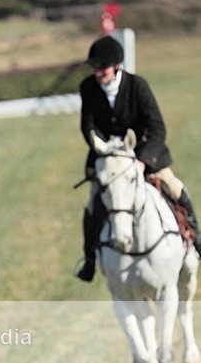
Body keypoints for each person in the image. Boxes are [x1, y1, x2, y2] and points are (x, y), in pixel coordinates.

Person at [76, 34, 201, 282]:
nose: (98, 73)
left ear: (116, 66)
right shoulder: (87, 88)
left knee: (175, 189)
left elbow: (157, 127)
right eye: (95, 67)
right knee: (93, 204)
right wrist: (107, 150)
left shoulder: (137, 86)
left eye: (102, 67)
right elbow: (88, 126)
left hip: (145, 155)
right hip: (109, 159)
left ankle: (197, 241)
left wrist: (142, 159)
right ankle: (90, 258)